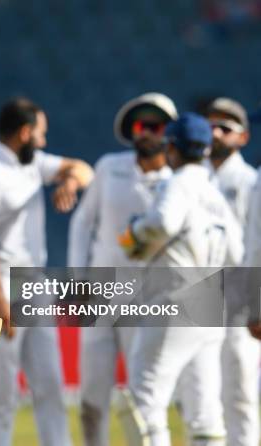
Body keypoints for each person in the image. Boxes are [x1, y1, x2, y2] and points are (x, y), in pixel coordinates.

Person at [0, 97, 93, 446]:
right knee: (0, 392)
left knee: (50, 384)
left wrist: (69, 184)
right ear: (24, 133)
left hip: (34, 283)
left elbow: (83, 169)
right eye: (41, 134)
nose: (45, 142)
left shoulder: (31, 163)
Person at [118, 113, 243, 446]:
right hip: (210, 301)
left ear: (172, 147)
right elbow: (236, 252)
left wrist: (135, 233)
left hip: (174, 301)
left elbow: (163, 223)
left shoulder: (177, 183)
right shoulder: (214, 192)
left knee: (144, 401)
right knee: (205, 413)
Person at [68, 92, 176, 446]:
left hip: (146, 298)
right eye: (140, 125)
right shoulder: (109, 166)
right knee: (91, 399)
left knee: (141, 397)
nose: (145, 132)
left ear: (168, 132)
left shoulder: (178, 183)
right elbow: (83, 223)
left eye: (155, 125)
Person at [186, 97, 258, 446]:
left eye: (226, 128)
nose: (216, 132)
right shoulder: (192, 177)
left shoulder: (250, 181)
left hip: (238, 298)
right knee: (198, 395)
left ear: (242, 137)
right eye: (211, 125)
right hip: (198, 296)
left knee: (239, 391)